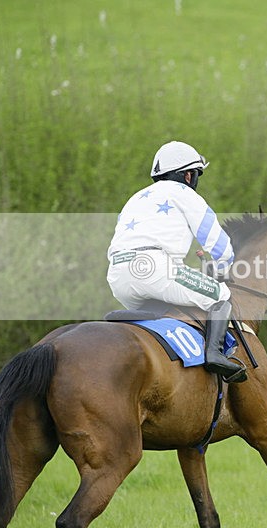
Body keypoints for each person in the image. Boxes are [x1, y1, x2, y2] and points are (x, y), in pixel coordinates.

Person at [106, 140, 246, 382]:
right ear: (189, 175)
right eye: (197, 175)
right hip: (156, 270)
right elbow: (219, 244)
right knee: (221, 295)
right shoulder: (185, 194)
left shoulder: (135, 198)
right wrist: (223, 269)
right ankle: (215, 355)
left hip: (118, 277)